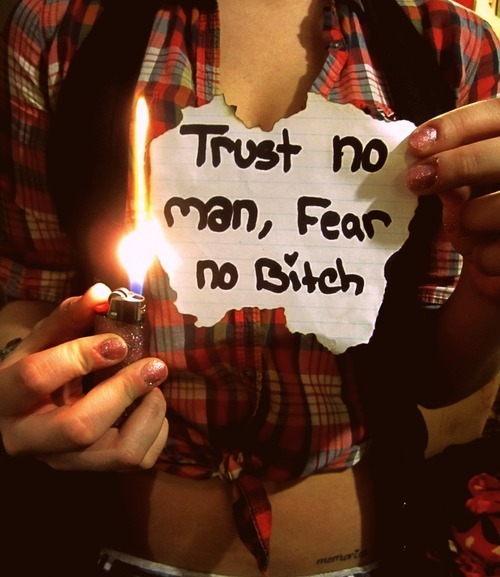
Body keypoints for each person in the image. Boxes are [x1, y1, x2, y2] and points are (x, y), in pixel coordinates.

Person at [0, 1, 499, 576]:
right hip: (111, 543)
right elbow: (35, 287)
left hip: (366, 551)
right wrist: (23, 377)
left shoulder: (448, 40)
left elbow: (435, 375)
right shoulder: (60, 25)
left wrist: (489, 289)